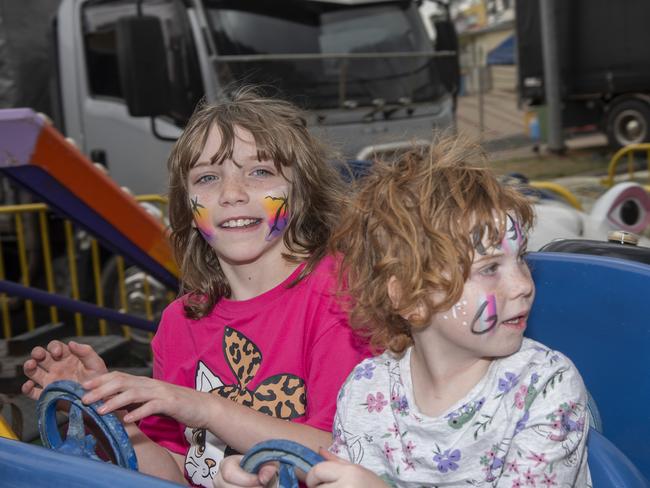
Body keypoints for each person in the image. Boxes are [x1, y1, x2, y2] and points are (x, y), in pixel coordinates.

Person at [21, 88, 368, 487]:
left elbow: (341, 460)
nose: (232, 193)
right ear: (187, 204)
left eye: (260, 172)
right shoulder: (181, 319)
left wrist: (201, 406)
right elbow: (177, 469)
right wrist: (109, 414)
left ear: (302, 189)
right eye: (207, 177)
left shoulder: (340, 296)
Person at [302, 139, 591, 487]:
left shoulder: (545, 387)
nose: (523, 285)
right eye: (489, 269)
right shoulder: (367, 392)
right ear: (410, 297)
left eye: (521, 259)